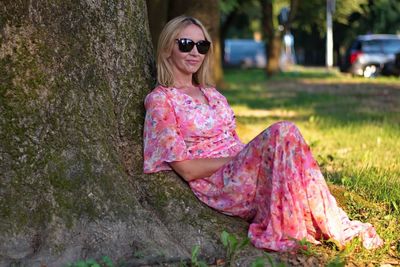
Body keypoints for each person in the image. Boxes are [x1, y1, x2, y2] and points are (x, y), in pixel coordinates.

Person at [143, 15, 383, 252]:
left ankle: (332, 222)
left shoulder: (212, 93)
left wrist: (250, 158)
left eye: (202, 45)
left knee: (290, 145)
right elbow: (185, 169)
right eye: (186, 44)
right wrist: (240, 158)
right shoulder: (162, 100)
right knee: (284, 131)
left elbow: (233, 142)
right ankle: (303, 227)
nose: (195, 52)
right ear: (167, 49)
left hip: (243, 170)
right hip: (219, 184)